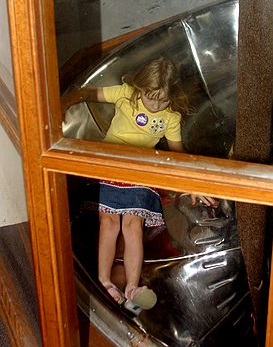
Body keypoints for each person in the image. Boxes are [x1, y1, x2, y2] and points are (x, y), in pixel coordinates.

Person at [62, 56, 216, 312]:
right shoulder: (125, 94)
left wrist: (192, 182)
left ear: (172, 96)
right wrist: (65, 102)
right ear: (140, 88)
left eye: (163, 99)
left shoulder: (171, 118)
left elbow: (177, 154)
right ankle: (105, 281)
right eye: (150, 97)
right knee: (109, 222)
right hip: (113, 163)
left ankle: (133, 287)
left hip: (141, 170)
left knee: (133, 225)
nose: (155, 105)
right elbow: (86, 93)